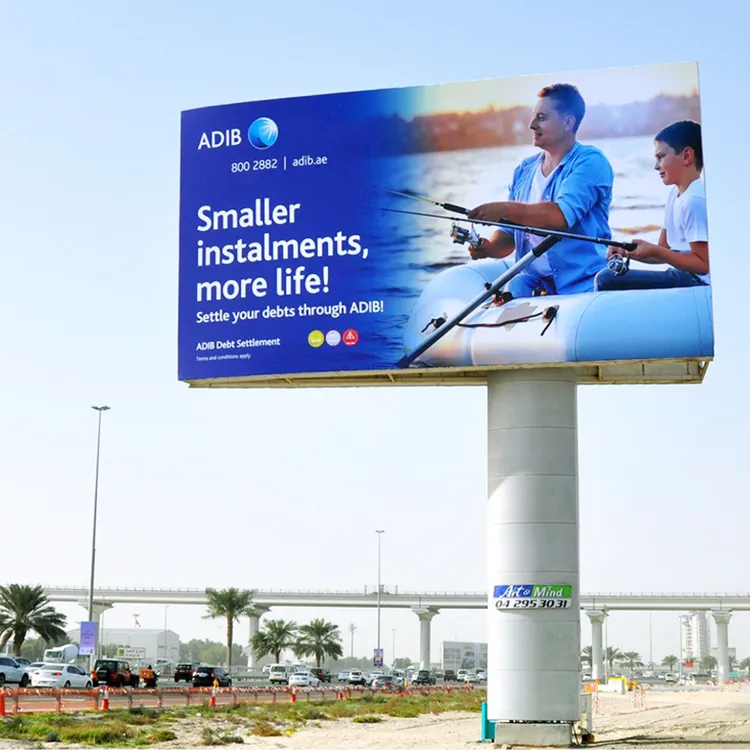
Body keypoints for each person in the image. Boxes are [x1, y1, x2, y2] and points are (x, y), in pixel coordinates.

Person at [467, 83, 613, 297]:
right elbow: (508, 234)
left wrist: (504, 209)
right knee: (515, 286)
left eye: (542, 118)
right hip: (535, 283)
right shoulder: (523, 170)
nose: (532, 125)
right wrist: (489, 247)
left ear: (568, 122)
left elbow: (560, 217)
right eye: (534, 117)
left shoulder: (591, 162)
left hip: (584, 283)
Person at [594, 120, 708, 291]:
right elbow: (663, 249)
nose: (656, 166)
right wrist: (626, 250)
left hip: (697, 282)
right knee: (606, 276)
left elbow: (703, 264)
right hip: (680, 275)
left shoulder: (694, 200)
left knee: (606, 279)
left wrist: (658, 252)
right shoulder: (675, 194)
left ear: (686, 156)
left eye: (661, 157)